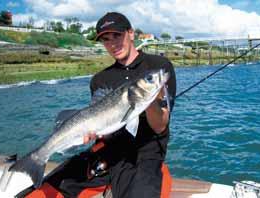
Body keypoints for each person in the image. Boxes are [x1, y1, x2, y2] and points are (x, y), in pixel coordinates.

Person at [16, 12, 176, 198]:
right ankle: (37, 158)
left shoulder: (158, 66)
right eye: (106, 39)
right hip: (106, 152)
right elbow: (102, 127)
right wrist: (86, 135)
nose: (112, 43)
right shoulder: (99, 79)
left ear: (131, 33)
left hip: (145, 154)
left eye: (117, 35)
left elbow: (160, 126)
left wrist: (150, 99)